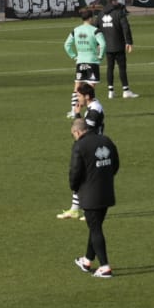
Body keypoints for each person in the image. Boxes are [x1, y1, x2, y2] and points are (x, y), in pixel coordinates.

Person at [69, 113, 120, 278]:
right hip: (106, 191)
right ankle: (86, 261)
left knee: (95, 228)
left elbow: (75, 172)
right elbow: (116, 165)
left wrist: (75, 187)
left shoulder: (80, 146)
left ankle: (105, 267)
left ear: (77, 132)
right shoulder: (106, 140)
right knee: (95, 226)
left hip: (90, 194)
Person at [59, 80, 106, 219]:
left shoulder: (94, 110)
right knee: (81, 176)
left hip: (93, 148)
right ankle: (75, 209)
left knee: (88, 179)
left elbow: (86, 131)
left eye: (79, 96)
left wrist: (78, 115)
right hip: (91, 146)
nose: (77, 98)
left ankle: (91, 210)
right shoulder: (93, 108)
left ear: (86, 96)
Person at [63, 7, 103, 119]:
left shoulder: (76, 30)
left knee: (77, 87)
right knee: (90, 88)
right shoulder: (95, 30)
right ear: (91, 18)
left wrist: (74, 56)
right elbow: (103, 44)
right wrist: (100, 56)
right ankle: (90, 110)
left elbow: (66, 45)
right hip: (92, 62)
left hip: (80, 61)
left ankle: (73, 110)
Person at [94, 0, 137, 100]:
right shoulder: (119, 12)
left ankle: (110, 91)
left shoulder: (100, 15)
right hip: (118, 45)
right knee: (122, 68)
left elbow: (95, 30)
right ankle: (126, 90)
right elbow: (126, 27)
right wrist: (129, 42)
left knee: (110, 68)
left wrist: (97, 44)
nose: (118, 2)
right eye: (116, 0)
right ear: (113, 1)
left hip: (107, 46)